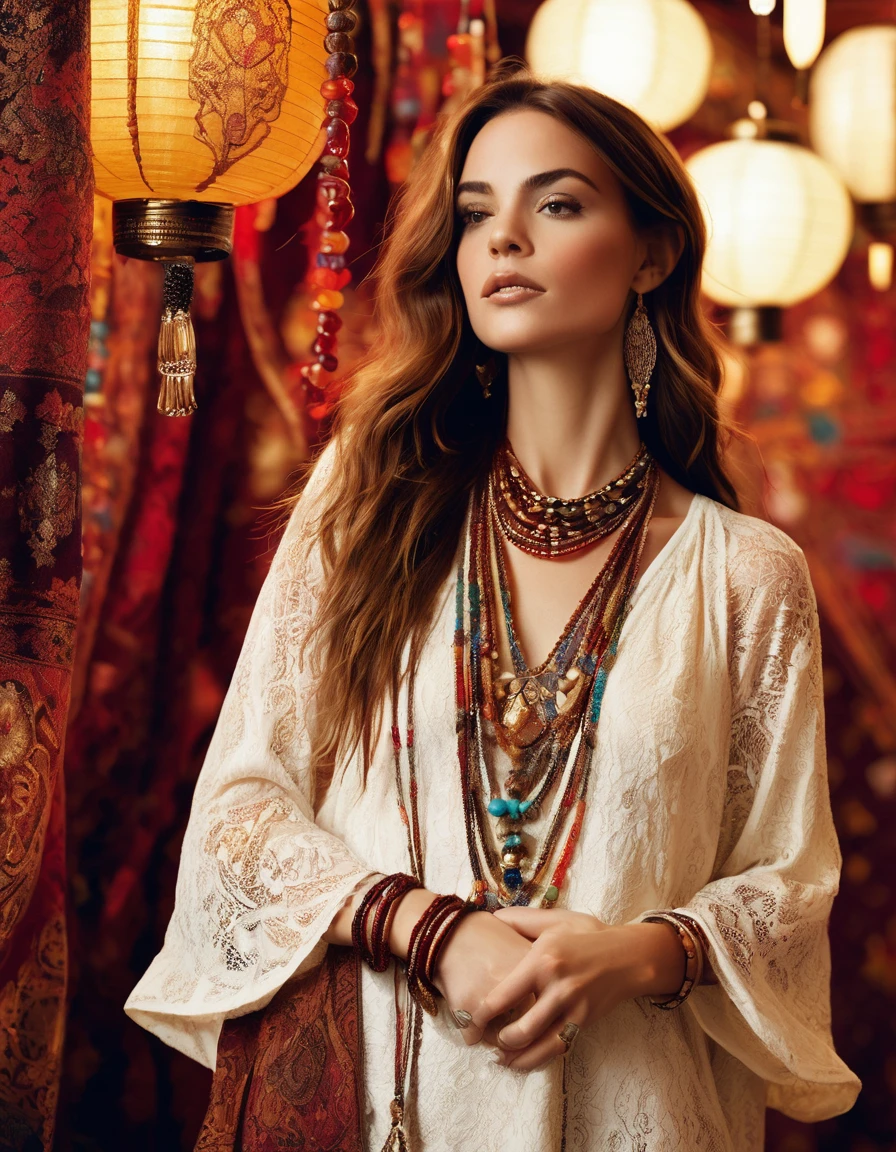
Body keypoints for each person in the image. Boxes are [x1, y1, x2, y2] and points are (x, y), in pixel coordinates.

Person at [126, 71, 861, 1151]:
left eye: (555, 205)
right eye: (477, 214)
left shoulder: (744, 576)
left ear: (651, 252)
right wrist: (429, 929)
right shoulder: (366, 506)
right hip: (388, 1099)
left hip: (636, 1106)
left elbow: (787, 887)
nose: (502, 239)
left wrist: (640, 954)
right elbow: (241, 813)